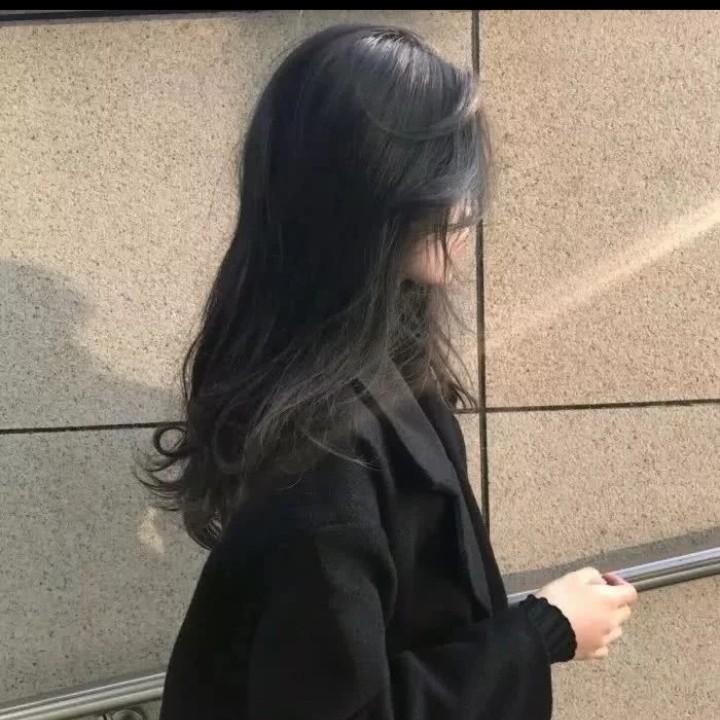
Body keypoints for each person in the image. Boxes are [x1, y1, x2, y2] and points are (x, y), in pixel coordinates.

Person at [136, 23, 639, 720]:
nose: (469, 210)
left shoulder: (366, 378)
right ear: (370, 193)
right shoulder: (322, 457)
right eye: (448, 180)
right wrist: (543, 631)